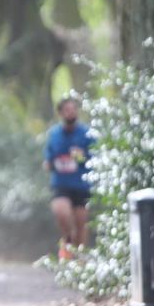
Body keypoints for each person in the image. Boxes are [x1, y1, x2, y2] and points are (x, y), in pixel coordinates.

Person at [43, 97, 95, 260]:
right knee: (61, 212)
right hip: (61, 183)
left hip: (81, 184)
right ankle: (67, 239)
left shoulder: (87, 134)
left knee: (81, 224)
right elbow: (49, 158)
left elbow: (96, 157)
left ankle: (79, 259)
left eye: (74, 109)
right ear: (60, 113)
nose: (71, 112)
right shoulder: (54, 134)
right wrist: (49, 164)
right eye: (67, 110)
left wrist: (81, 157)